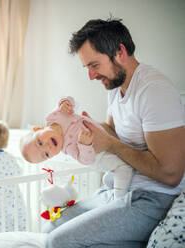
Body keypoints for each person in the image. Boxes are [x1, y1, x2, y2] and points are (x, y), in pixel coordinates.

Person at [43, 18, 185, 248]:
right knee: (51, 226)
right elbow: (113, 133)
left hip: (152, 198)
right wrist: (84, 127)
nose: (90, 76)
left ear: (120, 52)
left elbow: (171, 174)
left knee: (58, 242)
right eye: (87, 67)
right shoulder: (115, 85)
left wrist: (108, 143)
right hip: (119, 188)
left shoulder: (154, 91)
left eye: (94, 65)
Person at [20, 95, 133, 199]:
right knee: (122, 167)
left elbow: (72, 103)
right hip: (99, 157)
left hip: (104, 136)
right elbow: (87, 160)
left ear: (38, 129)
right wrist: (85, 145)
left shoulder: (53, 117)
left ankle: (110, 180)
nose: (47, 147)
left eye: (40, 143)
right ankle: (120, 198)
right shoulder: (68, 148)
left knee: (117, 161)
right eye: (46, 154)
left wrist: (65, 103)